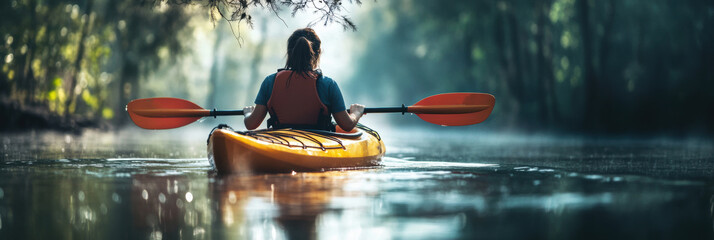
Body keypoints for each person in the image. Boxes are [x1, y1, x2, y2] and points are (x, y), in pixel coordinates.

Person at [242, 28, 365, 132]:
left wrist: (248, 113)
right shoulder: (328, 85)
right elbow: (347, 125)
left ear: (289, 53)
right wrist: (356, 113)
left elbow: (251, 124)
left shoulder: (270, 82)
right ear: (318, 53)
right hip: (319, 144)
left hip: (282, 143)